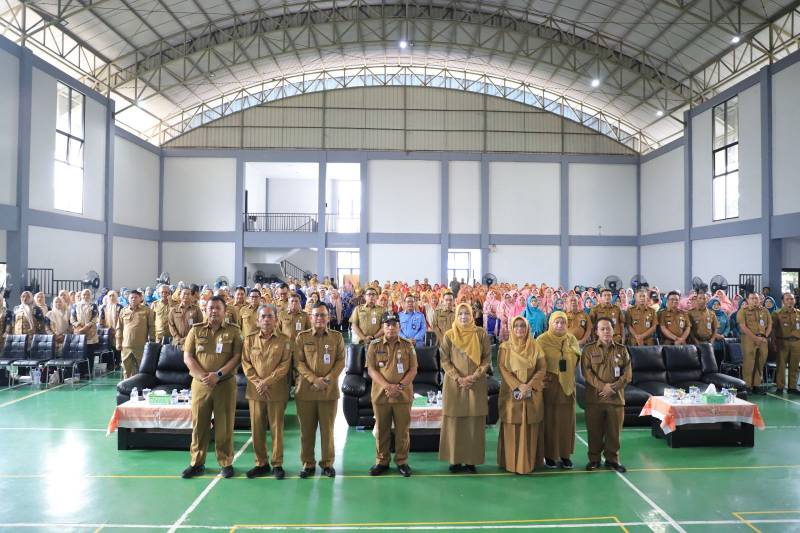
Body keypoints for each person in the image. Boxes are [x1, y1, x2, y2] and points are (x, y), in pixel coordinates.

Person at [181, 296, 243, 479]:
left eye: (217, 308)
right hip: (201, 385)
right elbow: (188, 357)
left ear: (225, 311)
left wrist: (218, 375)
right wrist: (203, 377)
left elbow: (237, 357)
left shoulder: (234, 331)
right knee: (199, 425)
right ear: (205, 310)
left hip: (224, 385)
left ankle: (226, 462)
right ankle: (197, 463)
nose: (214, 311)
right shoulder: (196, 330)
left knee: (225, 426)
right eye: (210, 308)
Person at [294, 302, 345, 478]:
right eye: (316, 315)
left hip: (328, 391)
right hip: (306, 391)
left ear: (328, 317)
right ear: (310, 317)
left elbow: (340, 361)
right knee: (306, 431)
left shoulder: (337, 337)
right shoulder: (302, 337)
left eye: (323, 315)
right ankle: (308, 463)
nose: (319, 318)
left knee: (327, 430)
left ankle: (327, 463)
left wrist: (327, 379)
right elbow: (298, 362)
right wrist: (314, 379)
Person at [438, 303, 490, 473]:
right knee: (455, 421)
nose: (463, 317)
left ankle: (471, 460)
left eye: (466, 313)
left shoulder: (481, 334)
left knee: (474, 422)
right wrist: (458, 378)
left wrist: (475, 376)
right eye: (460, 314)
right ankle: (455, 459)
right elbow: (444, 360)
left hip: (476, 383)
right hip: (454, 384)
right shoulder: (449, 335)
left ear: (472, 315)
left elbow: (487, 358)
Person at [241, 305, 292, 480]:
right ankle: (261, 463)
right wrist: (258, 382)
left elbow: (285, 365)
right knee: (257, 428)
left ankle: (277, 464)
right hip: (255, 392)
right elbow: (246, 363)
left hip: (276, 391)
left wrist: (266, 382)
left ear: (276, 320)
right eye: (263, 316)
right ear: (257, 321)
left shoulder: (284, 340)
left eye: (270, 316)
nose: (266, 320)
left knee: (277, 428)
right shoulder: (249, 340)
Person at [366, 312, 418, 477]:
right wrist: (388, 386)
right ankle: (382, 461)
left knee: (403, 431)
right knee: (382, 430)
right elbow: (371, 370)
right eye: (387, 324)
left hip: (403, 395)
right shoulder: (374, 345)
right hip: (381, 395)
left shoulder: (408, 345)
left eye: (394, 324)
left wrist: (400, 386)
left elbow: (413, 369)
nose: (391, 328)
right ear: (383, 327)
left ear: (399, 326)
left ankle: (402, 461)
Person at [497, 316, 547, 475]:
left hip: (532, 392)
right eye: (516, 326)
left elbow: (542, 368)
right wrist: (518, 386)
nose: (519, 329)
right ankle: (511, 463)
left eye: (523, 326)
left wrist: (529, 386)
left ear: (527, 328)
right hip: (512, 393)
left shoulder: (536, 346)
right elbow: (502, 368)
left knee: (531, 426)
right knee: (513, 424)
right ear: (512, 328)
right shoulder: (505, 347)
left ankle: (530, 463)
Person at [581, 317, 632, 473]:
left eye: (608, 328)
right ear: (596, 332)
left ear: (613, 330)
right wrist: (603, 387)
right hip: (594, 399)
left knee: (614, 433)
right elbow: (587, 373)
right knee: (594, 432)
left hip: (615, 399)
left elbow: (627, 375)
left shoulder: (622, 350)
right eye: (602, 329)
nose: (606, 331)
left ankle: (612, 460)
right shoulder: (589, 350)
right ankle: (594, 459)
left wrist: (613, 388)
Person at [537, 311, 581, 469]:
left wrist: (565, 353)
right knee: (550, 421)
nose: (560, 325)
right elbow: (537, 363)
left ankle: (565, 454)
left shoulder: (571, 339)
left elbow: (576, 358)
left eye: (563, 322)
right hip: (549, 384)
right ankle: (549, 455)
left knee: (566, 421)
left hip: (567, 384)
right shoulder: (542, 340)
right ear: (550, 323)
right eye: (556, 322)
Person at [116, 290, 155, 379]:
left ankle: (142, 386)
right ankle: (127, 386)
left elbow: (151, 326)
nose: (133, 299)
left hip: (141, 346)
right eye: (131, 297)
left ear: (140, 298)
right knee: (126, 370)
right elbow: (119, 328)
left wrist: (152, 341)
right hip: (126, 346)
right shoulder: (123, 311)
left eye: (136, 297)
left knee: (142, 369)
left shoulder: (147, 310)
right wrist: (118, 342)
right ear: (128, 299)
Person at [738, 292, 772, 393]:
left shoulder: (764, 310)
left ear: (760, 299)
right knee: (749, 363)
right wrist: (755, 338)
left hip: (762, 339)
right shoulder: (743, 311)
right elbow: (743, 326)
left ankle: (757, 385)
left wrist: (765, 336)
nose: (755, 300)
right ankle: (747, 386)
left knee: (760, 363)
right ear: (747, 300)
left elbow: (770, 324)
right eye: (752, 298)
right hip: (748, 339)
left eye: (756, 298)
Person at [772, 292, 800, 394]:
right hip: (782, 342)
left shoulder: (798, 313)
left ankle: (792, 387)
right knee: (781, 365)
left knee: (794, 366)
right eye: (787, 299)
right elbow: (772, 329)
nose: (790, 301)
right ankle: (780, 387)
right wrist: (774, 343)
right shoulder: (777, 313)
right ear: (783, 301)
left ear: (795, 301)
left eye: (792, 299)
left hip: (796, 342)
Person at [71, 289, 99, 359]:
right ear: (81, 296)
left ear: (90, 296)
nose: (86, 296)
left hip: (90, 332)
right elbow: (72, 319)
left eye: (88, 295)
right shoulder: (75, 305)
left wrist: (86, 327)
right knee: (80, 353)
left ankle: (90, 366)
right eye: (84, 294)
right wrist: (80, 328)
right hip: (79, 331)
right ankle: (81, 366)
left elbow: (95, 318)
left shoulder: (94, 305)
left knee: (90, 353)